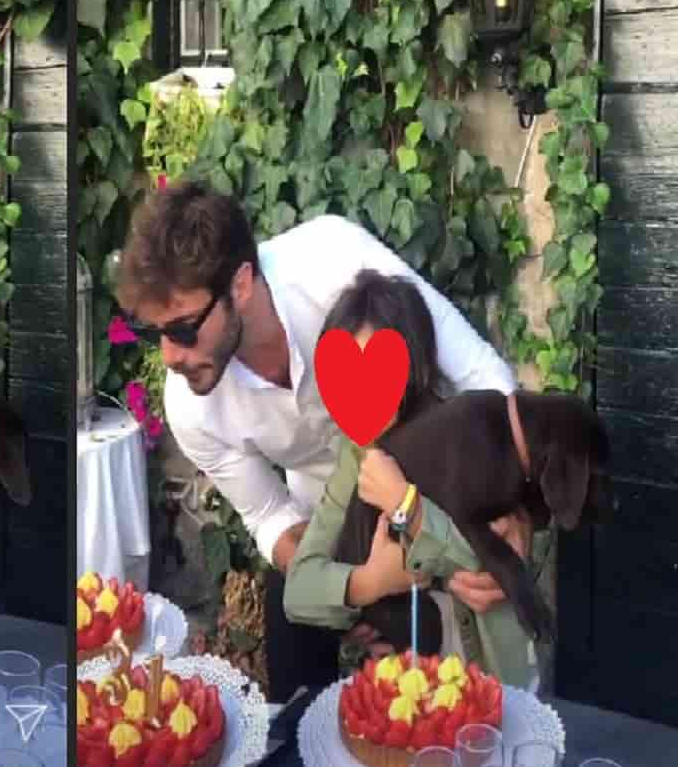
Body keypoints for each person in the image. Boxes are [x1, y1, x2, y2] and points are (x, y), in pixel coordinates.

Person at [115, 181, 527, 702]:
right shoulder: (191, 406)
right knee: (293, 643)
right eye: (155, 333)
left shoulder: (334, 261)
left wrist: (511, 513)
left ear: (240, 284)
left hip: (435, 482)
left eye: (182, 329)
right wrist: (359, 586)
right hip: (326, 525)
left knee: (468, 687)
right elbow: (270, 516)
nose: (170, 356)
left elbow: (484, 378)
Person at [283, 269, 537, 693]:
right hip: (406, 688)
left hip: (488, 684)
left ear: (413, 369)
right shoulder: (357, 456)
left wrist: (407, 506)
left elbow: (484, 565)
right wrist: (371, 582)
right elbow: (299, 590)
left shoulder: (464, 442)